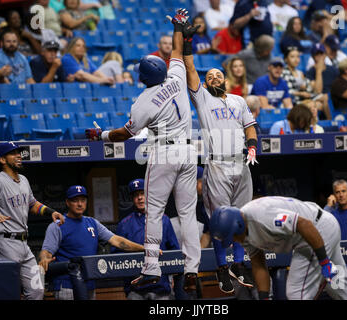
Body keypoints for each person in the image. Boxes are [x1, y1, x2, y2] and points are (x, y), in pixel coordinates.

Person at [85, 9, 201, 296]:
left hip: (164, 154)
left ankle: (151, 268)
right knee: (187, 213)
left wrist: (100, 135)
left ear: (142, 77)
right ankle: (193, 269)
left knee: (153, 211)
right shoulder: (175, 75)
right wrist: (177, 26)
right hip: (189, 153)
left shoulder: (143, 102)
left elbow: (124, 135)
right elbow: (176, 49)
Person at [181, 20, 258, 294]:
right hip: (217, 163)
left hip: (241, 161)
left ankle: (239, 263)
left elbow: (250, 126)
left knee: (241, 217)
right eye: (209, 76)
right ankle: (222, 267)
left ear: (225, 79)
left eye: (218, 75)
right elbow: (190, 68)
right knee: (218, 220)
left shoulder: (238, 100)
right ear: (204, 83)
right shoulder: (202, 98)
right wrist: (187, 41)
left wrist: (252, 147)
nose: (214, 78)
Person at [209, 197, 347, 300]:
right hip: (321, 228)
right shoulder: (243, 230)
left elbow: (303, 224)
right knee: (339, 285)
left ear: (237, 226)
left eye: (232, 236)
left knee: (296, 293)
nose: (233, 241)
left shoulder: (262, 217)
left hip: (316, 231)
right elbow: (258, 264)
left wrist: (324, 261)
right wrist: (264, 297)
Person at [0, 142, 65, 300]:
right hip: (4, 241)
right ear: (3, 160)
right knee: (6, 291)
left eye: (19, 152)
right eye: (13, 153)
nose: (19, 156)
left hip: (24, 243)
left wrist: (51, 212)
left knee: (37, 289)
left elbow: (32, 204)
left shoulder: (23, 179)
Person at [39, 185, 145, 300]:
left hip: (89, 284)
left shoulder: (92, 223)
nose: (80, 204)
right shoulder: (58, 225)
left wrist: (145, 248)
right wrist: (44, 258)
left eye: (83, 200)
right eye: (75, 200)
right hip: (67, 286)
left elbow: (117, 241)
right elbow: (46, 251)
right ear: (67, 202)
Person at [111, 179, 180, 300]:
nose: (140, 198)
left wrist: (172, 277)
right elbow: (116, 257)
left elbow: (174, 251)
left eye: (143, 194)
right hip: (135, 289)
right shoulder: (124, 224)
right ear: (132, 198)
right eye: (136, 195)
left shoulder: (164, 220)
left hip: (161, 287)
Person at [281, 46, 330, 118]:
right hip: (293, 102)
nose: (296, 59)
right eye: (292, 57)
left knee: (325, 97)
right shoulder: (284, 72)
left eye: (298, 57)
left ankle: (331, 122)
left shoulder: (300, 73)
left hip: (305, 99)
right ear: (286, 59)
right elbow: (286, 91)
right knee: (318, 105)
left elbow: (309, 88)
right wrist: (301, 93)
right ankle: (325, 122)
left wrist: (309, 87)